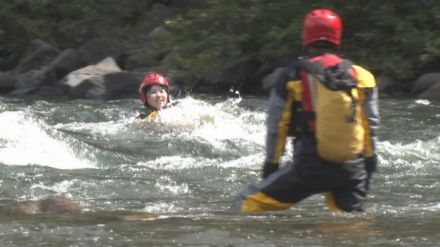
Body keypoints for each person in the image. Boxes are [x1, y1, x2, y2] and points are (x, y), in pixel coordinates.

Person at [232, 8, 379, 213]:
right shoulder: (363, 76)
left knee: (246, 203)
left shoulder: (292, 75)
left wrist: (272, 165)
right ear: (337, 38)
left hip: (309, 167)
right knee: (348, 225)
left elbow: (277, 125)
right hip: (352, 169)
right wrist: (370, 162)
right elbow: (370, 124)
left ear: (306, 37)